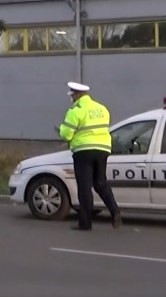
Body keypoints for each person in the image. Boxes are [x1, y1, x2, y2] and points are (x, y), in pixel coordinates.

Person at [58, 82, 122, 231]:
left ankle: (85, 223)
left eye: (72, 95)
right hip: (103, 149)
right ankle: (115, 212)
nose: (72, 98)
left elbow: (66, 134)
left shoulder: (75, 111)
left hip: (83, 150)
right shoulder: (102, 109)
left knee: (85, 187)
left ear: (77, 95)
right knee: (101, 183)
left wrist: (61, 129)